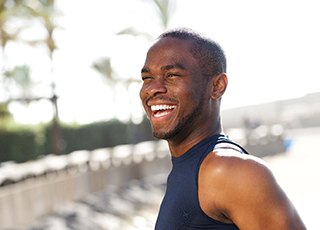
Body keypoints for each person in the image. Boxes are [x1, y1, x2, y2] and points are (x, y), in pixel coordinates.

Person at [139, 27, 306, 229]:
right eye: (147, 78)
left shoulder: (230, 172)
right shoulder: (189, 167)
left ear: (217, 86)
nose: (153, 89)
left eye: (172, 75)